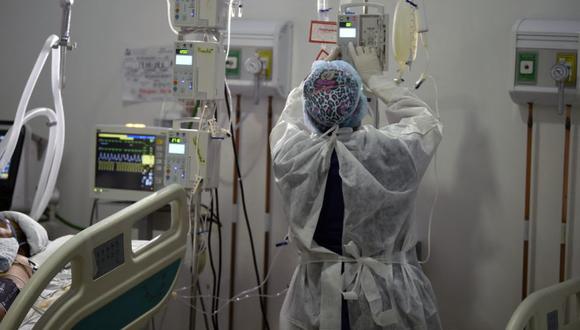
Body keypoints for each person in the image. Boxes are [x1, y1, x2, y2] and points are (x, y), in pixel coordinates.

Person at [270, 44, 442, 330]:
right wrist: (376, 78)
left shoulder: (291, 156)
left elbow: (288, 119)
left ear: (311, 111)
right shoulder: (390, 152)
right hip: (389, 303)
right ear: (359, 104)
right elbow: (427, 123)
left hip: (314, 305)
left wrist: (311, 84)